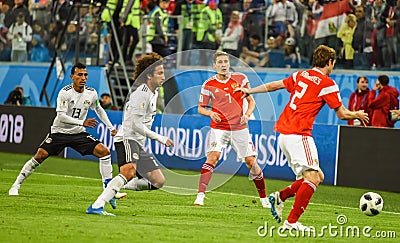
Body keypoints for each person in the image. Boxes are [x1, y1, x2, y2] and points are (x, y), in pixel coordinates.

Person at [234, 45, 369, 231]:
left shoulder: (301, 75)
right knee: (313, 177)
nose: (333, 66)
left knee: (316, 176)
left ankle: (280, 197)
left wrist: (250, 91)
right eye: (333, 63)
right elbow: (342, 114)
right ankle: (292, 222)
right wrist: (357, 115)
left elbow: (275, 86)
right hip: (298, 134)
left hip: (284, 134)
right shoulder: (327, 83)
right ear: (329, 62)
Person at [8, 62, 122, 209]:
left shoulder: (91, 93)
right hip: (60, 132)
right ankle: (16, 185)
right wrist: (82, 122)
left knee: (104, 152)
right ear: (72, 76)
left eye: (85, 75)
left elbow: (99, 109)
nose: (83, 78)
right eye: (79, 75)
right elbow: (61, 116)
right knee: (40, 155)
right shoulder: (65, 93)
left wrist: (111, 127)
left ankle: (108, 191)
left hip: (78, 134)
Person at [86, 52, 174, 216]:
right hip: (127, 138)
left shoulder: (153, 93)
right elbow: (135, 125)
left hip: (138, 143)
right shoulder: (142, 93)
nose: (163, 76)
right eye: (160, 73)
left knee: (158, 181)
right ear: (148, 75)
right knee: (128, 172)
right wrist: (160, 138)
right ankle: (97, 206)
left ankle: (113, 187)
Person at [193, 51, 270, 209]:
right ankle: (200, 195)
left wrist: (247, 115)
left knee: (251, 162)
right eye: (220, 62)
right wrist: (210, 112)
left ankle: (264, 198)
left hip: (239, 128)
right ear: (214, 65)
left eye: (225, 62)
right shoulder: (208, 84)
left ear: (229, 64)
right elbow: (201, 108)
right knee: (213, 157)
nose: (223, 65)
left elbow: (251, 102)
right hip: (218, 128)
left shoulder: (241, 79)